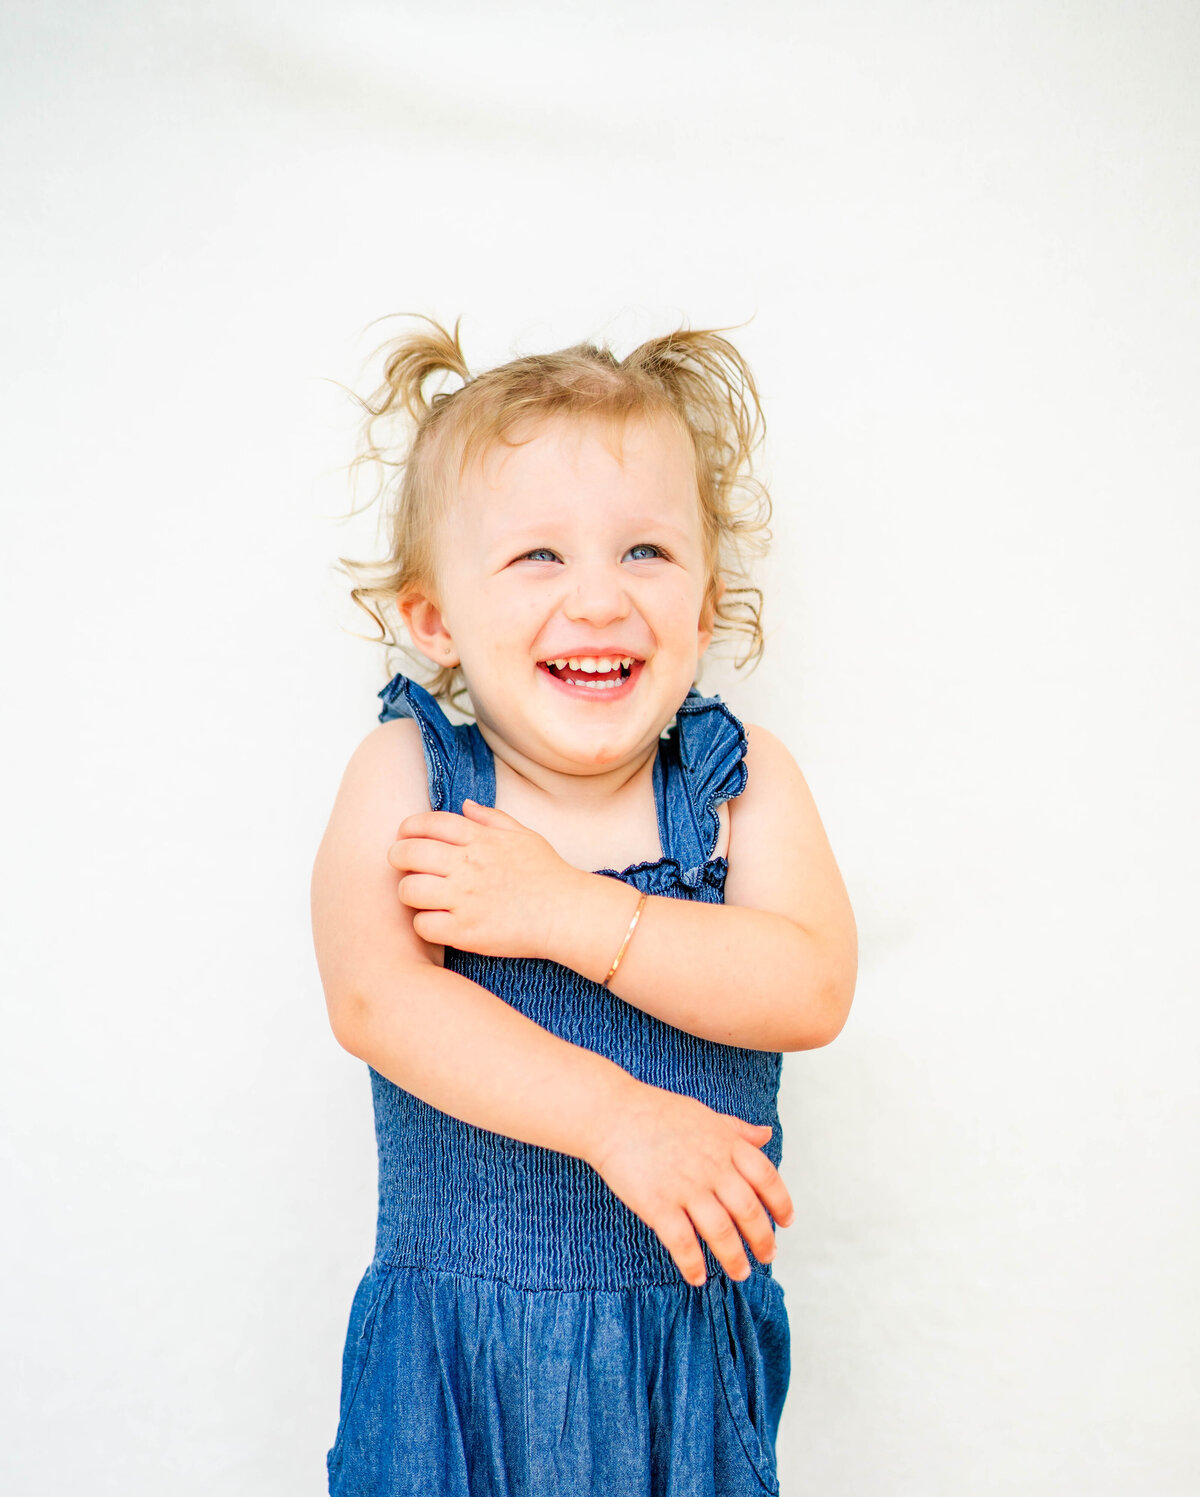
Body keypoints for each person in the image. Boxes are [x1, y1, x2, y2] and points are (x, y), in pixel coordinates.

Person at [310, 314, 858, 1496]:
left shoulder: (733, 793)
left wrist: (567, 913)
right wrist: (620, 1120)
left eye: (647, 553)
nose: (600, 599)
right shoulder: (412, 778)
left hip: (681, 1362)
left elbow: (809, 985)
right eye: (539, 558)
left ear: (706, 602)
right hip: (453, 1365)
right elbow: (375, 998)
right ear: (435, 620)